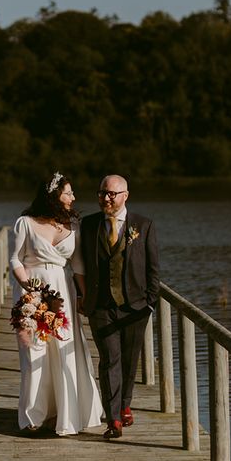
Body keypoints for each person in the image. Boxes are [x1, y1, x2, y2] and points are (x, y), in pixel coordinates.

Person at [9, 172, 103, 436]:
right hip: (33, 290)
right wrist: (27, 285)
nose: (73, 197)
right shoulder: (24, 223)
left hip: (62, 289)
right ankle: (33, 417)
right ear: (53, 196)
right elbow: (15, 259)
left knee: (63, 348)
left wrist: (84, 295)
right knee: (35, 350)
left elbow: (78, 264)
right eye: (68, 193)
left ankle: (65, 413)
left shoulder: (73, 226)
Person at [77, 174, 160, 439]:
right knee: (109, 359)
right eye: (102, 193)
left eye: (112, 194)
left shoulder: (143, 225)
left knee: (129, 358)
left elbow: (153, 268)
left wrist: (150, 302)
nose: (106, 198)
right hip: (101, 307)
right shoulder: (88, 225)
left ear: (126, 195)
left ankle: (125, 404)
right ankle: (113, 420)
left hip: (135, 306)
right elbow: (78, 264)